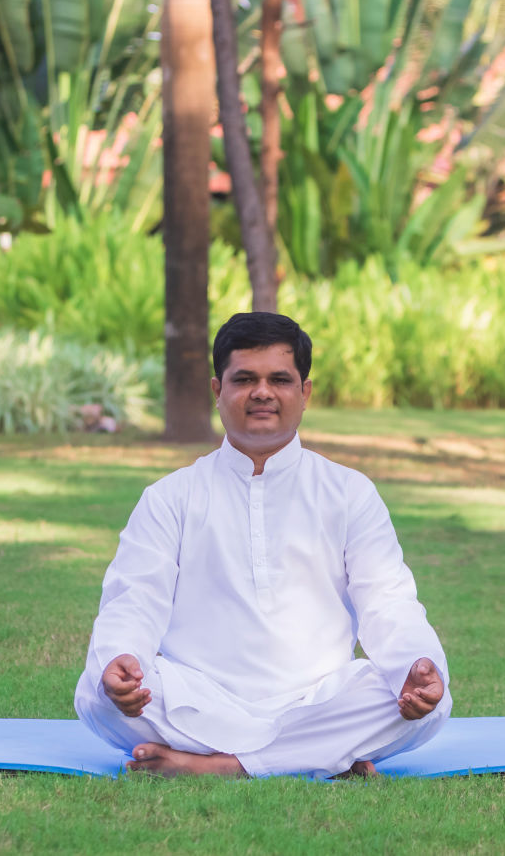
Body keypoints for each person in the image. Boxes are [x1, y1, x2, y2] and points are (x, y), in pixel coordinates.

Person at [74, 312, 451, 778]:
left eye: (279, 379)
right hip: (198, 699)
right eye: (245, 379)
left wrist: (416, 668)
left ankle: (222, 767)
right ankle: (317, 761)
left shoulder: (349, 492)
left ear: (304, 393)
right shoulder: (171, 496)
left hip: (319, 700)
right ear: (218, 391)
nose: (262, 392)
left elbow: (388, 601)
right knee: (97, 690)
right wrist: (123, 660)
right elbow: (134, 599)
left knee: (430, 703)